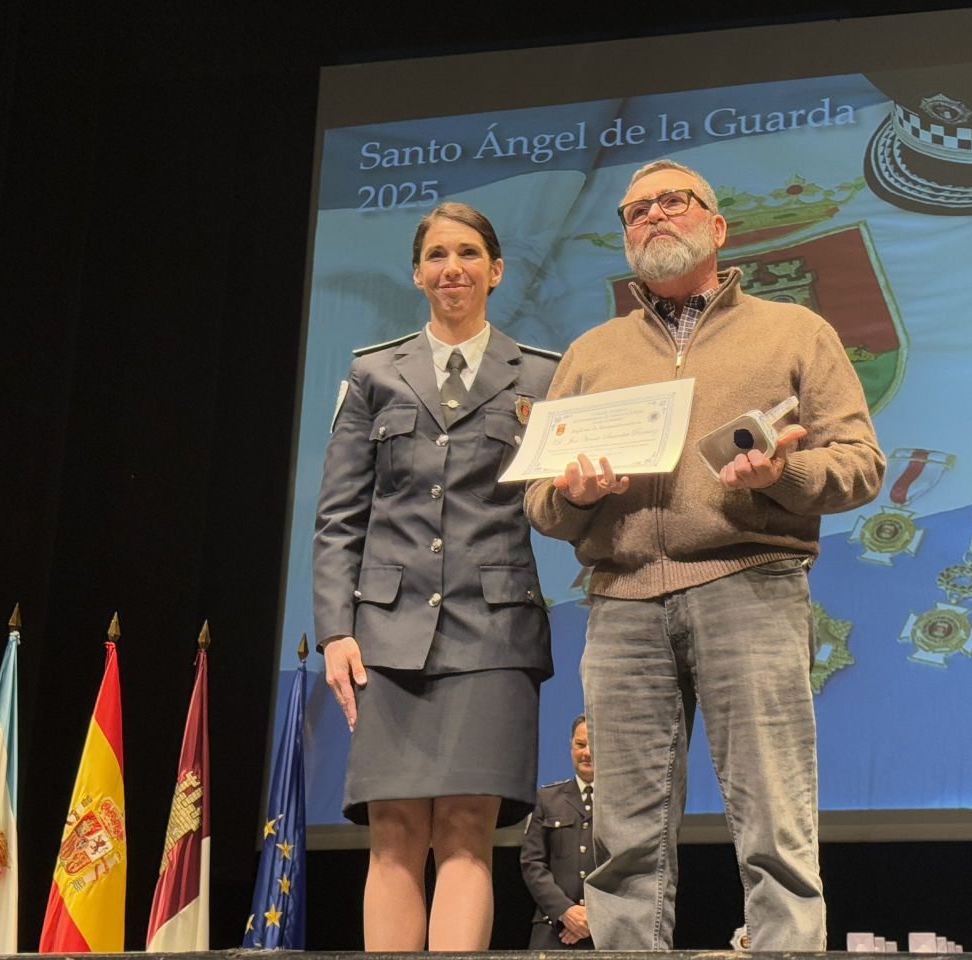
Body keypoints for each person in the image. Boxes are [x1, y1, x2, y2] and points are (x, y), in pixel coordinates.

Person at [524, 160, 885, 951]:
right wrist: (576, 495)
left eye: (671, 202)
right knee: (623, 844)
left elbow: (861, 464)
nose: (652, 216)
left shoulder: (794, 331)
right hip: (620, 604)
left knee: (774, 823)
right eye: (635, 211)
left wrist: (780, 472)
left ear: (717, 227)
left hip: (750, 584)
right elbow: (540, 499)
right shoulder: (590, 353)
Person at [313, 201, 557, 951]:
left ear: (496, 270)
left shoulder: (545, 376)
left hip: (494, 631)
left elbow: (559, 507)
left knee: (464, 831)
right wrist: (335, 633)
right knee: (392, 833)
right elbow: (339, 517)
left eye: (469, 254)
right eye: (437, 256)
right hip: (386, 634)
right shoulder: (372, 373)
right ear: (417, 273)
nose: (453, 268)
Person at [520, 715, 597, 949]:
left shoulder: (620, 803)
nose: (587, 753)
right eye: (580, 745)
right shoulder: (547, 799)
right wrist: (565, 912)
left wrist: (594, 919)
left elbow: (626, 866)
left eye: (593, 744)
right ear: (570, 746)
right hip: (553, 929)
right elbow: (532, 864)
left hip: (606, 933)